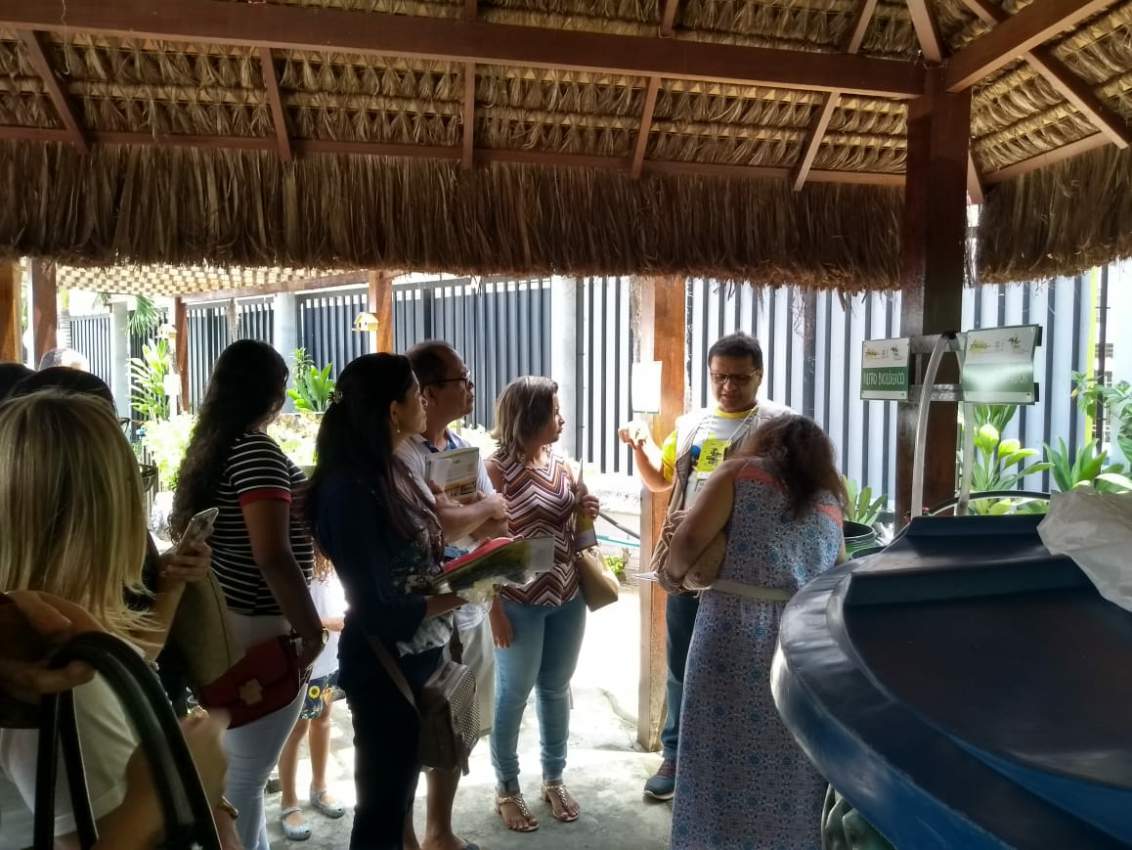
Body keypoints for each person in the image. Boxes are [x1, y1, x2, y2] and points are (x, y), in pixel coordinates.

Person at [0, 393, 229, 850]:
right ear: (110, 509)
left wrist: (172, 583)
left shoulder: (36, 632)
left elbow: (131, 654)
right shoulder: (62, 673)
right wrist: (179, 785)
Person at [305, 353, 472, 850]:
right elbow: (377, 607)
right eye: (416, 393)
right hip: (385, 666)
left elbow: (413, 557)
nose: (425, 401)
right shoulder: (350, 490)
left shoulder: (391, 469)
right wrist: (456, 595)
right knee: (381, 812)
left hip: (416, 656)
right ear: (393, 410)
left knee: (396, 800)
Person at [618, 331, 791, 800]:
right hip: (690, 567)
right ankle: (676, 755)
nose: (728, 387)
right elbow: (661, 481)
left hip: (748, 575)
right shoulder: (693, 424)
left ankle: (738, 761)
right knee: (681, 664)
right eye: (719, 377)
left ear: (759, 375)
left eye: (739, 378)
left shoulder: (780, 427)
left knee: (748, 668)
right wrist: (640, 446)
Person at [172, 339, 325, 850]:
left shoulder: (216, 448)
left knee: (241, 773)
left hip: (229, 625)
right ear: (272, 392)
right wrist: (310, 629)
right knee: (247, 778)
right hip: (263, 628)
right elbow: (272, 555)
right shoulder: (255, 450)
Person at [665, 415, 845, 850]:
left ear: (764, 442)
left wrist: (672, 578)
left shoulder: (738, 474)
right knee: (790, 758)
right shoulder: (830, 502)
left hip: (730, 629)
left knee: (716, 749)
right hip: (799, 645)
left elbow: (687, 543)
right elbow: (838, 574)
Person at [399, 341, 507, 850]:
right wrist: (480, 509)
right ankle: (406, 834)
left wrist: (476, 513)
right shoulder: (402, 453)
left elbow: (497, 522)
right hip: (421, 619)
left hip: (469, 605)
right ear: (427, 392)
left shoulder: (461, 447)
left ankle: (438, 831)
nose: (471, 387)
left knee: (457, 721)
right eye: (462, 380)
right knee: (410, 731)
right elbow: (438, 524)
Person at [486, 376, 599, 833]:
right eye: (554, 411)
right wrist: (493, 609)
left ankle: (554, 778)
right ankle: (506, 788)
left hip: (566, 595)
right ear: (530, 416)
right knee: (513, 694)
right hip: (518, 602)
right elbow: (482, 545)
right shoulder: (496, 471)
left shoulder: (560, 464)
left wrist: (584, 508)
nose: (562, 419)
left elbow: (571, 529)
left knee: (555, 690)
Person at [276, 556, 347, 842]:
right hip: (304, 658)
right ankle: (288, 802)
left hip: (330, 657)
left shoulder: (331, 553)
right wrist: (328, 623)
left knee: (323, 719)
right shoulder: (296, 553)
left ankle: (319, 787)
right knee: (295, 729)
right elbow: (285, 610)